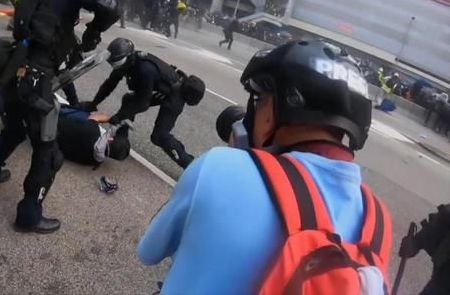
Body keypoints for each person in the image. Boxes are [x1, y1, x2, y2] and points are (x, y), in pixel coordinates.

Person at [137, 40, 392, 294]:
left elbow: (148, 251)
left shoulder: (220, 167)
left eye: (258, 99)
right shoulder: (378, 221)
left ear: (275, 107)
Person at [0, 0, 120, 234]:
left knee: (14, 129)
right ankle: (29, 217)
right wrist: (94, 31)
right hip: (38, 79)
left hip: (17, 69)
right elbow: (111, 7)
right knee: (49, 154)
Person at [79, 38, 206, 169]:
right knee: (128, 100)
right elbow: (110, 84)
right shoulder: (126, 62)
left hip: (175, 94)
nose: (115, 67)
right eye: (113, 63)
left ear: (126, 58)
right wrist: (93, 103)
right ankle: (122, 138)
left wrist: (117, 117)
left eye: (116, 64)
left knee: (159, 136)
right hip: (161, 89)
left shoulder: (144, 70)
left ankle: (191, 166)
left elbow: (142, 104)